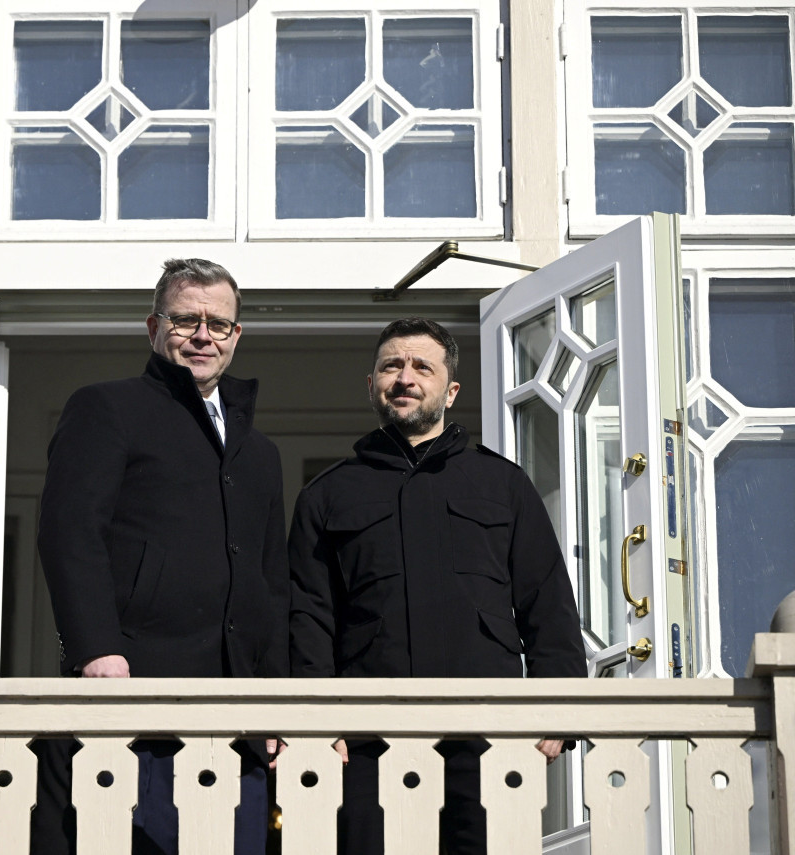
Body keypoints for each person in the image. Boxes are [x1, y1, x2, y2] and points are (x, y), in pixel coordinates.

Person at [287, 317, 586, 855]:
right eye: (390, 366)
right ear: (372, 384)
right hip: (365, 745)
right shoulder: (327, 496)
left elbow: (547, 600)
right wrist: (317, 720)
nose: (405, 377)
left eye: (422, 366)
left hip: (490, 738)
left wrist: (560, 705)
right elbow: (309, 617)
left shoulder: (503, 484)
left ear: (449, 390)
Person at [34, 258, 288, 855]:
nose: (203, 335)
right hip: (135, 703)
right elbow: (69, 531)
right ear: (153, 328)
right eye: (185, 320)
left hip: (238, 720)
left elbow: (272, 584)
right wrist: (96, 647)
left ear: (236, 337)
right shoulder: (106, 408)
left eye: (218, 324)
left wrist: (277, 698)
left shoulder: (261, 454)